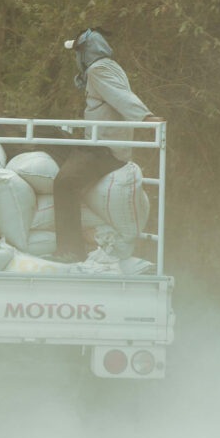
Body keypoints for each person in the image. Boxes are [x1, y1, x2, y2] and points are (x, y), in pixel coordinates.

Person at [51, 28, 163, 262]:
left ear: (85, 52)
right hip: (97, 143)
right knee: (51, 139)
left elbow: (121, 97)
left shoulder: (98, 69)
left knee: (64, 183)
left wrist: (146, 118)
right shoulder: (111, 67)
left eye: (77, 52)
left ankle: (70, 250)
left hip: (103, 149)